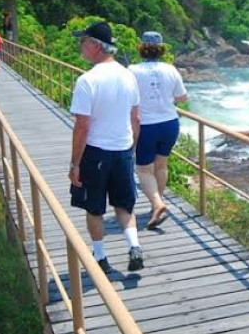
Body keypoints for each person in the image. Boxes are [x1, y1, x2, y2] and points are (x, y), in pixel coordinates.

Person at [69, 21, 143, 274]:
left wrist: (75, 164)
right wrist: (131, 151)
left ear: (94, 46)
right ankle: (134, 247)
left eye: (83, 41)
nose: (81, 46)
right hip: (122, 150)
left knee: (94, 207)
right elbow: (136, 119)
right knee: (124, 205)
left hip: (96, 152)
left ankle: (100, 257)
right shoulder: (128, 75)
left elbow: (82, 126)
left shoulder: (87, 80)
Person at [129, 31, 188, 229]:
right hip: (170, 123)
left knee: (143, 169)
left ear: (142, 48)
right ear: (161, 48)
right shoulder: (170, 69)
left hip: (147, 125)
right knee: (161, 165)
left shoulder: (132, 70)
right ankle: (159, 202)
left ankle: (157, 204)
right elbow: (182, 98)